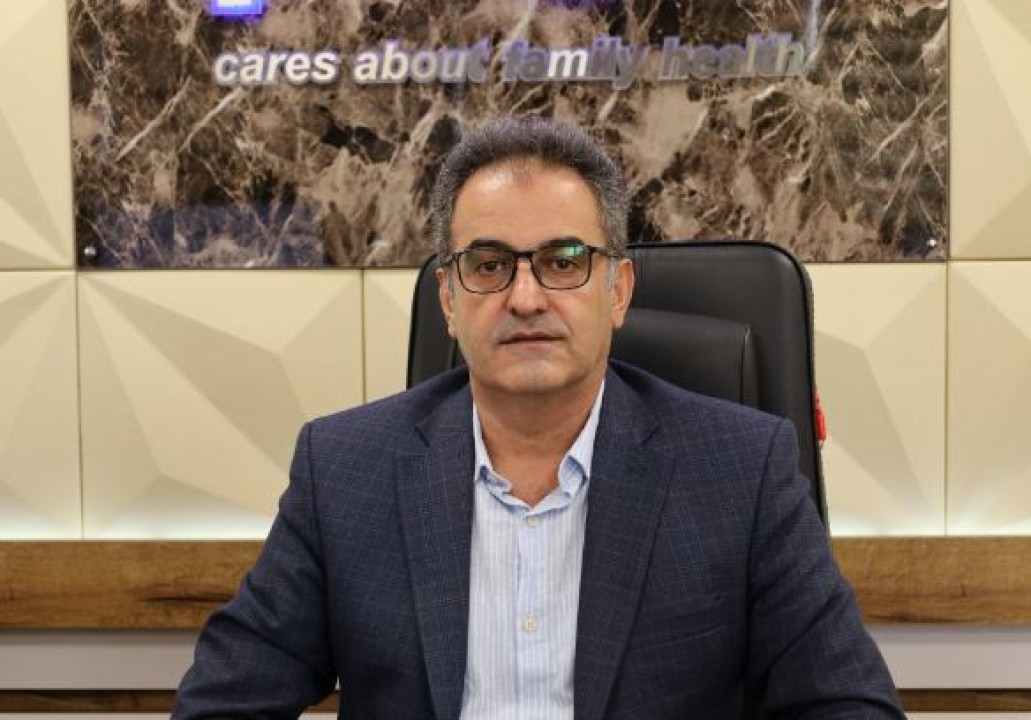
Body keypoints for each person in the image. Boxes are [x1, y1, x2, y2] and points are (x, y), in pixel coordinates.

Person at [173, 116, 904, 719]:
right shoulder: (343, 470)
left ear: (618, 291)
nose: (525, 298)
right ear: (449, 300)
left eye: (563, 260)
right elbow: (225, 702)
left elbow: (847, 704)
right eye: (489, 265)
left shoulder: (741, 470)